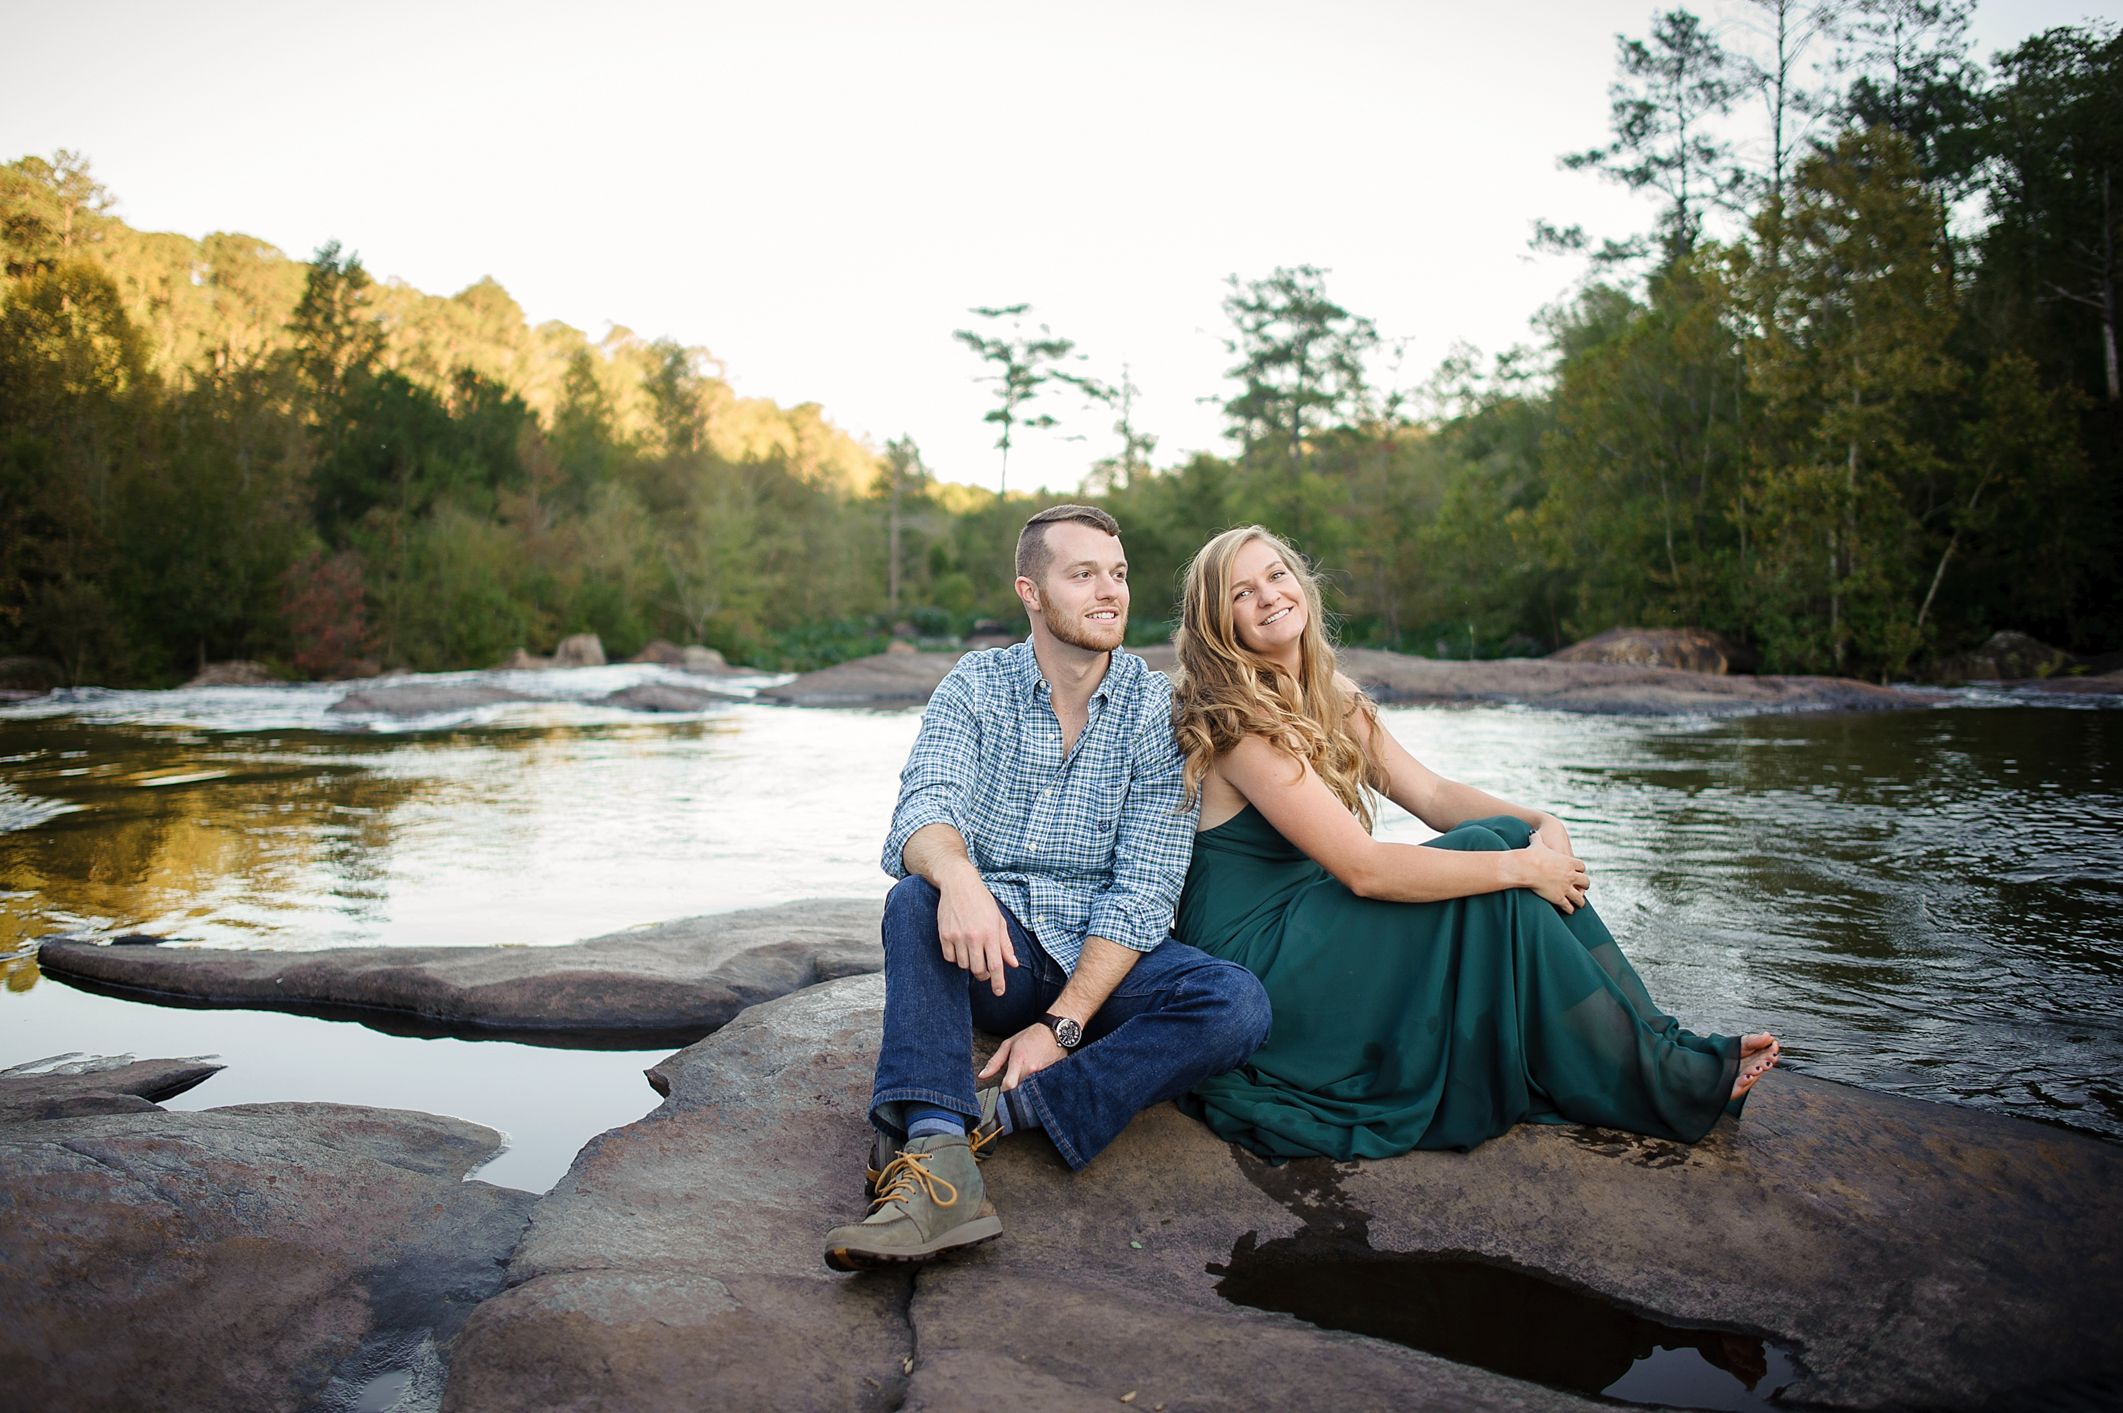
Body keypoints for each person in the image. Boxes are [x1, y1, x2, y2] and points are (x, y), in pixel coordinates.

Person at [1168, 524, 1779, 1162]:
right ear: (1218, 620)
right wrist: (1519, 870)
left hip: (1312, 921)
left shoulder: (1330, 695)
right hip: (1258, 960)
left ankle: (1659, 1041)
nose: (1269, 596)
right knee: (1494, 866)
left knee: (1503, 837)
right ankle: (1658, 1074)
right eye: (1243, 592)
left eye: (1276, 575)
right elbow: (1365, 869)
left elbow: (1430, 796)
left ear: (1302, 584)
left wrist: (1540, 825)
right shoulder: (1237, 724)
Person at [823, 505, 1272, 1271]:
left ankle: (1002, 1115)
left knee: (1235, 1003)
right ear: (1030, 591)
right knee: (914, 898)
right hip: (995, 952)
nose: (1111, 591)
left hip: (1104, 962)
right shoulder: (975, 685)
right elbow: (923, 807)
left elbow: (1145, 889)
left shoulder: (1156, 710)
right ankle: (935, 1162)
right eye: (1084, 573)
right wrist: (958, 874)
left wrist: (1060, 1028)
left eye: (1120, 573)